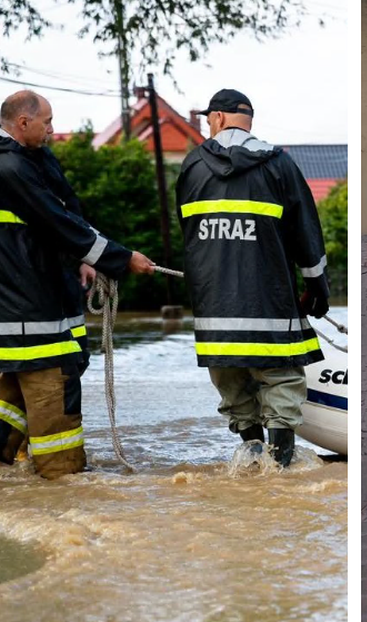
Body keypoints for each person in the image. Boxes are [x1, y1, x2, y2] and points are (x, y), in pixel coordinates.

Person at [0, 90, 156, 479]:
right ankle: (64, 487)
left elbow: (66, 211)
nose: (53, 129)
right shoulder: (11, 168)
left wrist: (82, 259)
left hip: (39, 302)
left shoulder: (30, 159)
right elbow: (58, 221)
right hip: (32, 313)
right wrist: (122, 259)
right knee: (56, 394)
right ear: (22, 123)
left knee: (14, 396)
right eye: (47, 122)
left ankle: (11, 481)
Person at [176, 89, 330, 467]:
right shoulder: (280, 165)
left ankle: (251, 461)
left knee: (233, 390)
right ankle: (279, 472)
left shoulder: (192, 166)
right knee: (281, 381)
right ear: (248, 120)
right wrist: (317, 287)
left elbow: (188, 236)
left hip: (213, 308)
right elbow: (306, 233)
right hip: (270, 302)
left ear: (217, 118)